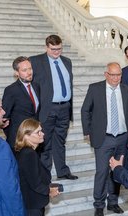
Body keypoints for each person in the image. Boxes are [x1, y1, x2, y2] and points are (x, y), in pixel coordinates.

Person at [81, 62, 128, 216]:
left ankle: (113, 202)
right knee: (102, 171)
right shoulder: (95, 89)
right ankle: (99, 204)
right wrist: (88, 131)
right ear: (106, 74)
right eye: (112, 74)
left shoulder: (127, 90)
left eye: (118, 74)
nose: (115, 78)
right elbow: (85, 110)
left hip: (123, 137)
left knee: (117, 171)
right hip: (103, 138)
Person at [30, 34, 77, 180]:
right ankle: (45, 175)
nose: (56, 52)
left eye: (59, 49)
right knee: (45, 143)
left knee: (60, 141)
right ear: (46, 47)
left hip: (64, 107)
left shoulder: (67, 61)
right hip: (47, 108)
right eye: (53, 49)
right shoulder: (36, 61)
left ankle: (62, 171)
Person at [15, 118, 60, 216]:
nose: (42, 134)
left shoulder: (26, 151)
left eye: (41, 131)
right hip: (32, 205)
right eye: (38, 132)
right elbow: (35, 183)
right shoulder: (28, 154)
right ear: (26, 136)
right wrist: (49, 191)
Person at [3, 56, 40, 151]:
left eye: (30, 68)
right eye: (24, 70)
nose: (29, 72)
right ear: (16, 73)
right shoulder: (11, 90)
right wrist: (15, 136)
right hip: (19, 141)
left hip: (34, 138)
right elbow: (5, 117)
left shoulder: (36, 86)